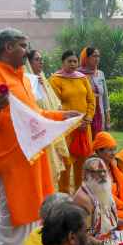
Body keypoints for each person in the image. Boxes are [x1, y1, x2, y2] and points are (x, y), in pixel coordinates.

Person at [0, 28, 80, 245]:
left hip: (31, 161)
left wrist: (61, 116)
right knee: (13, 223)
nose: (27, 49)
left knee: (34, 219)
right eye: (23, 45)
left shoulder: (20, 76)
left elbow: (34, 115)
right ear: (8, 47)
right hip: (12, 165)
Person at [49, 50, 96, 193]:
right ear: (62, 63)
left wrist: (88, 118)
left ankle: (80, 194)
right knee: (66, 162)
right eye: (69, 61)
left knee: (82, 161)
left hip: (84, 127)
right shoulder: (55, 80)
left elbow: (91, 100)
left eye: (75, 61)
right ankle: (63, 195)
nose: (73, 64)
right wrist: (70, 120)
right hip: (66, 128)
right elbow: (54, 104)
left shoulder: (82, 78)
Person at [25, 48, 70, 183]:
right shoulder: (27, 81)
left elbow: (54, 103)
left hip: (50, 128)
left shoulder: (42, 79)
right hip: (37, 132)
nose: (41, 62)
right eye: (37, 60)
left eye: (42, 59)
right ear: (28, 62)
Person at [78, 47, 110, 133]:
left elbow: (105, 97)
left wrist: (107, 118)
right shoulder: (78, 75)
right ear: (86, 58)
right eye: (94, 56)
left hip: (100, 114)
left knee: (100, 142)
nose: (97, 59)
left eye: (98, 56)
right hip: (86, 115)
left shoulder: (100, 74)